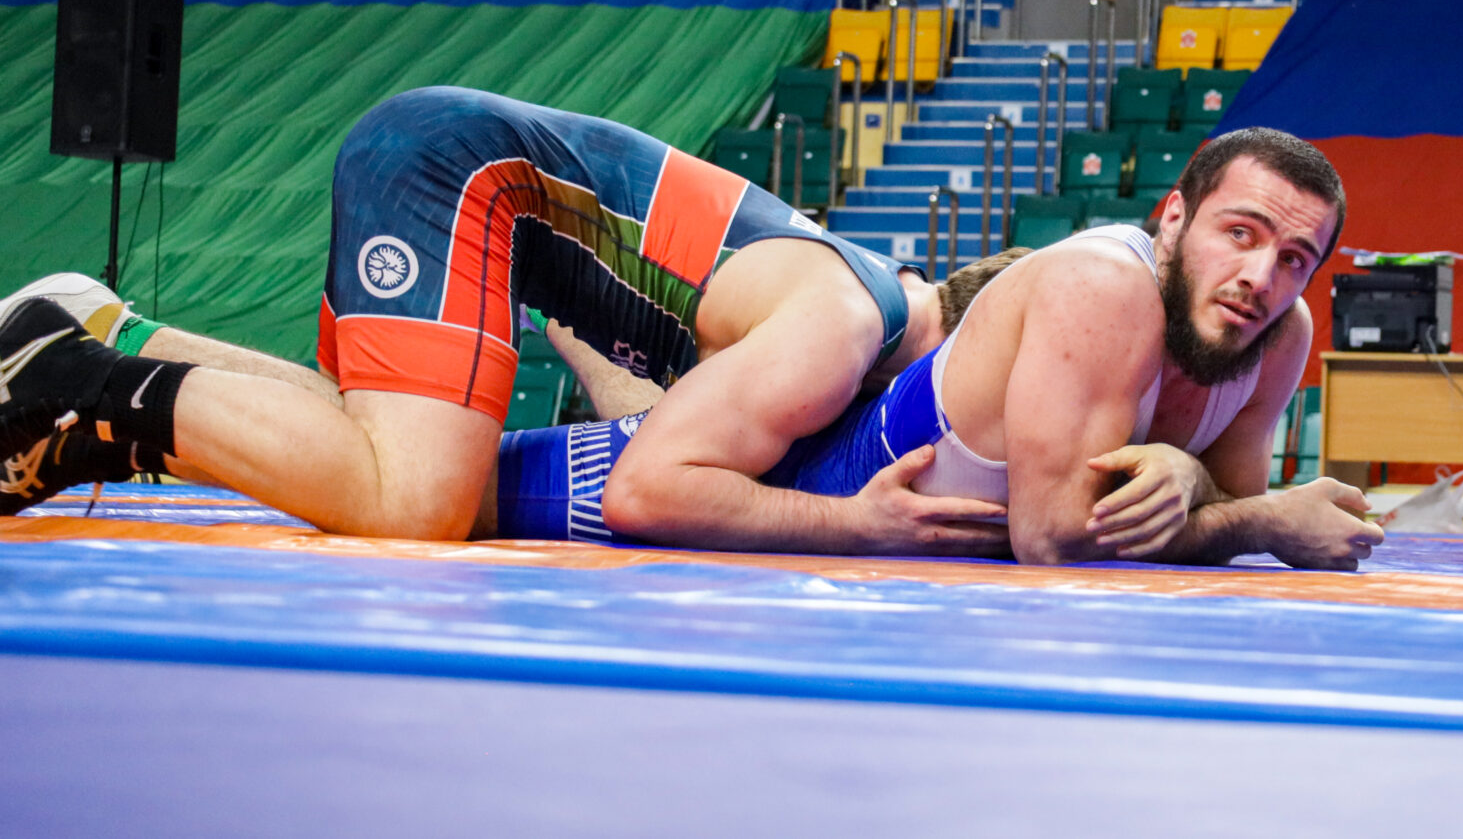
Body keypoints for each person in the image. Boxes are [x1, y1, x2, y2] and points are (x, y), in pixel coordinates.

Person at [0, 87, 1014, 554]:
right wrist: (851, 523)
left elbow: (641, 424)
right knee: (413, 505)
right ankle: (73, 379)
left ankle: (112, 335)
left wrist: (561, 314)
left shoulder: (858, 300)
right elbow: (642, 489)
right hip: (454, 171)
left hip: (478, 189)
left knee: (384, 449)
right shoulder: (840, 328)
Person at [492, 127, 1385, 569]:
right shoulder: (1103, 287)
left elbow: (1222, 497)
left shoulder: (1279, 333)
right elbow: (1054, 538)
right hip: (795, 480)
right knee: (450, 499)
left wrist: (1198, 481)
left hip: (843, 429)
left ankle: (604, 357)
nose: (1261, 276)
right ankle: (566, 310)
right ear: (1175, 217)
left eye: (1294, 259)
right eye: (1241, 233)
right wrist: (1260, 521)